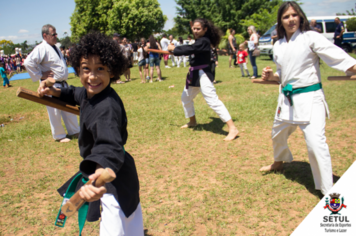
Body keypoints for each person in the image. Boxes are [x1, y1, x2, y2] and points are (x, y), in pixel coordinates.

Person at [37, 32, 143, 235]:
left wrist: (99, 172)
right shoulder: (91, 93)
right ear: (78, 69)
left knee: (120, 221)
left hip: (112, 175)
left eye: (100, 69)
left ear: (112, 71)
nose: (92, 77)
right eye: (86, 69)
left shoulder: (106, 108)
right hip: (117, 172)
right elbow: (76, 93)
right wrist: (55, 91)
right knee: (129, 222)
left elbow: (108, 145)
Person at [259, 1, 356, 196]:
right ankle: (279, 162)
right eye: (286, 17)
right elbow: (282, 74)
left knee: (315, 143)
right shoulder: (278, 45)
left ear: (300, 16)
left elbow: (335, 55)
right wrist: (271, 76)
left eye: (294, 15)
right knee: (277, 134)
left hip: (310, 98)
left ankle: (329, 191)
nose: (290, 19)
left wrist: (353, 68)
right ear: (281, 21)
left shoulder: (310, 37)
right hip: (287, 99)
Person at [168, 18, 239, 141]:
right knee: (186, 97)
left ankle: (232, 128)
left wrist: (175, 49)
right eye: (194, 29)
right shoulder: (199, 41)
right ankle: (192, 121)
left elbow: (191, 48)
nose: (195, 31)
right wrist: (175, 51)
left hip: (203, 73)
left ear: (205, 29)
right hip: (195, 73)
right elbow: (192, 48)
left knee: (212, 99)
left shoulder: (204, 41)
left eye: (198, 29)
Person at [24, 24, 80, 143]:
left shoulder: (55, 47)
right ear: (45, 35)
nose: (56, 36)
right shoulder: (41, 48)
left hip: (63, 84)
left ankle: (74, 131)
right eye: (53, 34)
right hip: (50, 85)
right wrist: (40, 75)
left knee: (68, 108)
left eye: (56, 34)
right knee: (54, 111)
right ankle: (59, 135)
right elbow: (28, 62)